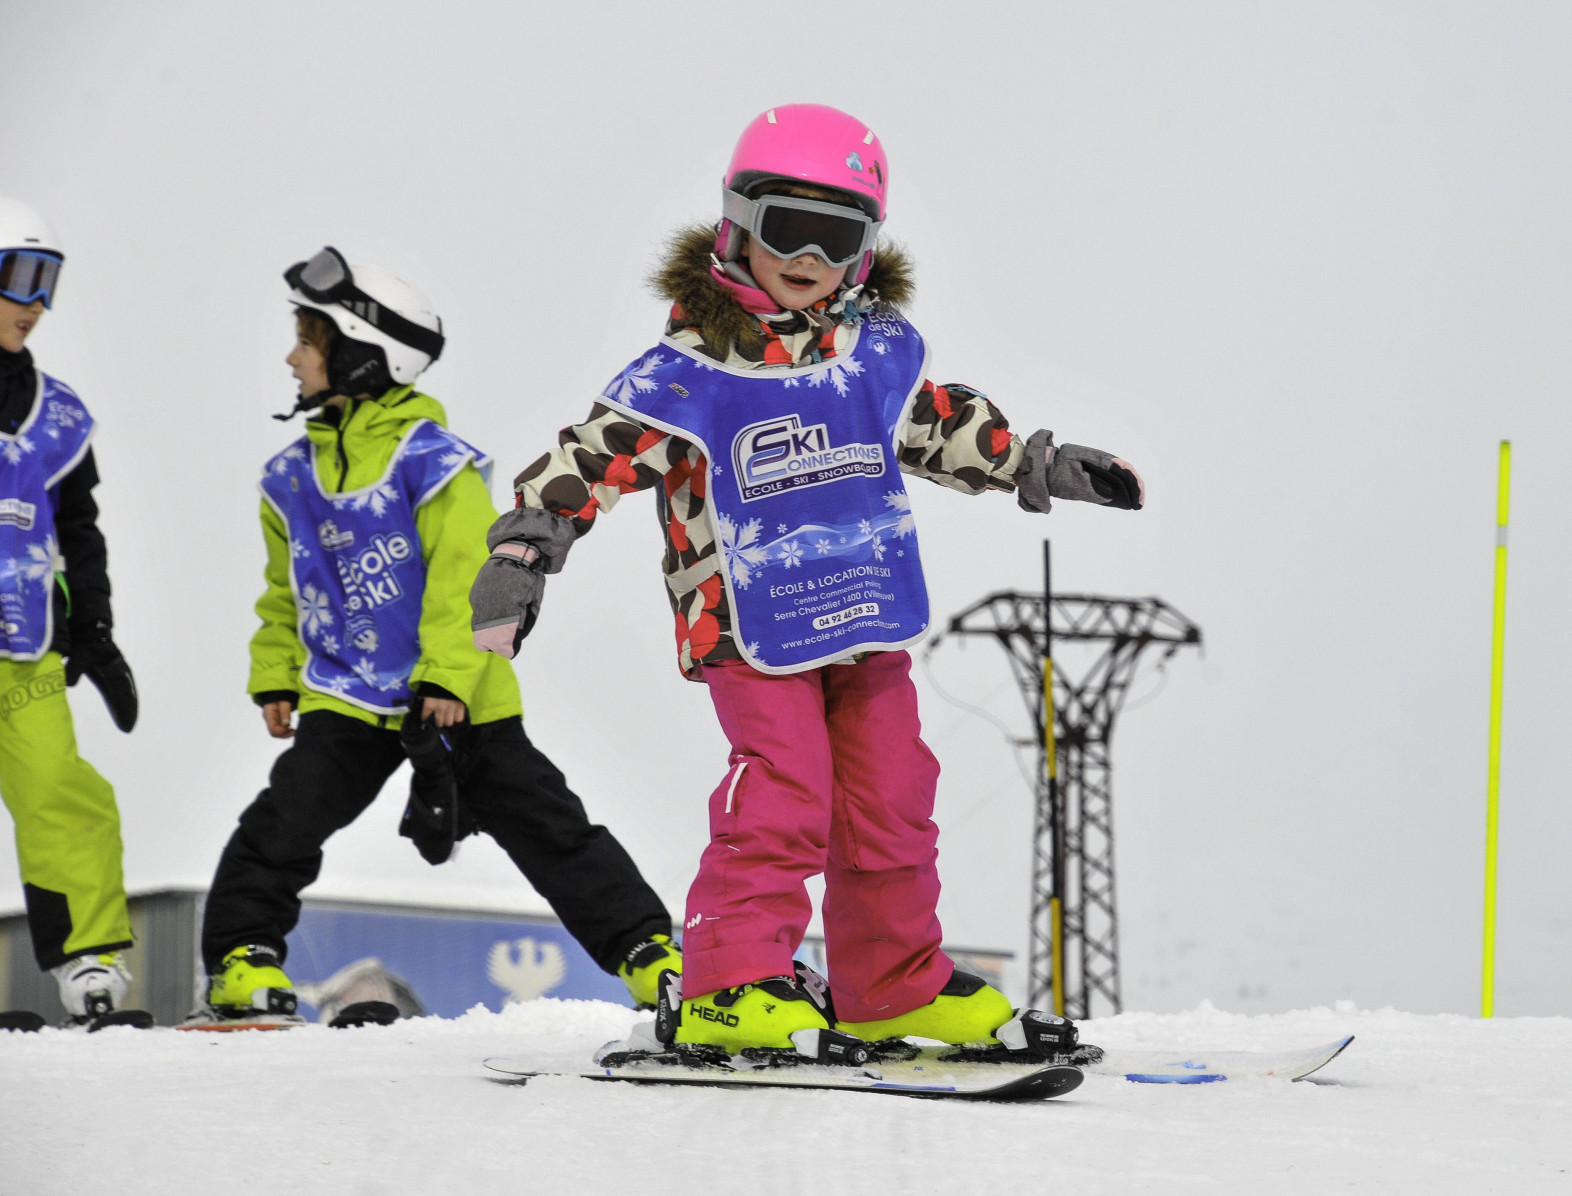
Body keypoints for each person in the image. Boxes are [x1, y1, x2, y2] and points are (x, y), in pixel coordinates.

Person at [470, 105, 1144, 1057]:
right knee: (785, 791)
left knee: (892, 794)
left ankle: (890, 984)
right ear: (739, 223)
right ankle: (731, 984)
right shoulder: (687, 374)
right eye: (789, 228)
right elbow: (590, 457)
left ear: (866, 251)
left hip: (861, 610)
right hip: (748, 621)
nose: (811, 258)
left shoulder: (870, 358)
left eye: (839, 237)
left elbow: (941, 426)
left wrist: (1040, 463)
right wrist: (523, 553)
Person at [194, 248, 679, 1024]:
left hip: (459, 696)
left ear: (361, 353)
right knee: (283, 822)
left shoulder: (434, 463)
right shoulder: (290, 478)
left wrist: (449, 678)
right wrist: (275, 675)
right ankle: (240, 960)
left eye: (307, 342)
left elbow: (463, 581)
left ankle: (651, 957)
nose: (292, 358)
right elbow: (287, 590)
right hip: (349, 696)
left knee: (549, 827)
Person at [0, 197, 145, 1028]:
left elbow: (79, 530)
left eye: (47, 281)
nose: (35, 302)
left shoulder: (58, 416)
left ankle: (88, 964)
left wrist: (94, 628)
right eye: (18, 276)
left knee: (60, 791)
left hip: (25, 649)